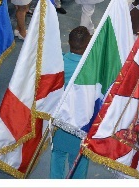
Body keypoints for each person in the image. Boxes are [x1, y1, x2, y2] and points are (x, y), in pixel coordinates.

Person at [50, 26, 91, 179]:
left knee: (57, 156)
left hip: (60, 122)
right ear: (88, 45)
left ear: (68, 42)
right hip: (82, 125)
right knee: (79, 161)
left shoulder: (58, 63)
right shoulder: (93, 68)